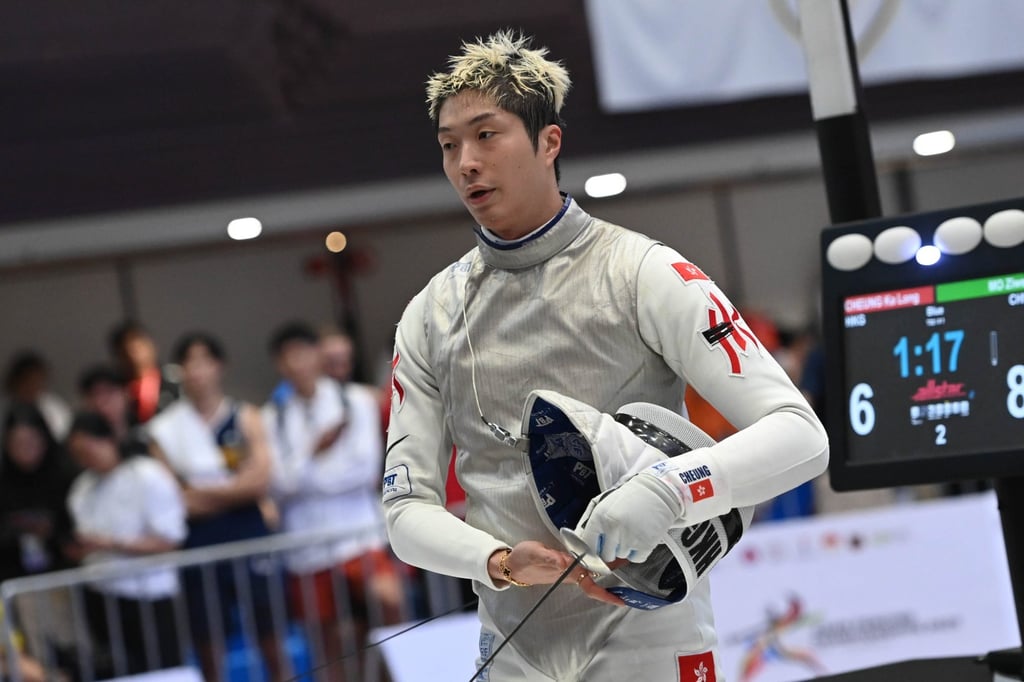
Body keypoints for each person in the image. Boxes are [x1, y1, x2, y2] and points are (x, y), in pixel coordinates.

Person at [381, 31, 829, 681]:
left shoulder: (645, 273)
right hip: (513, 650)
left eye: (486, 135)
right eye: (449, 146)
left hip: (650, 640)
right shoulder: (430, 313)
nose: (466, 163)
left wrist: (672, 491)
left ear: (548, 142)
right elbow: (405, 512)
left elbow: (801, 436)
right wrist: (499, 561)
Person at [263, 322, 401, 682]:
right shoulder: (272, 417)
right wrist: (315, 452)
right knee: (326, 644)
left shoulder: (355, 400)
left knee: (388, 606)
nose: (298, 363)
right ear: (280, 364)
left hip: (358, 537)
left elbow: (363, 470)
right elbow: (276, 484)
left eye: (303, 353)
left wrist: (302, 476)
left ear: (317, 355)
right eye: (288, 357)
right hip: (306, 547)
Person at [147, 333, 284, 682]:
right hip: (200, 543)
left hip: (247, 534)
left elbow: (259, 482)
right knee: (209, 641)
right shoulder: (164, 430)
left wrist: (200, 491)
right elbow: (174, 500)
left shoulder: (245, 415)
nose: (197, 371)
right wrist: (234, 489)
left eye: (204, 360)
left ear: (219, 366)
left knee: (270, 635)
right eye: (189, 363)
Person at [64, 411, 186, 678]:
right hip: (101, 594)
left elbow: (170, 540)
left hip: (148, 594)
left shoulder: (147, 475)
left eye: (88, 448)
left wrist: (111, 543)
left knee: (161, 671)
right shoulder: (82, 487)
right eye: (77, 452)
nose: (84, 457)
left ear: (107, 440)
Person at [0, 404, 76, 583]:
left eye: (31, 441)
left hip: (62, 573)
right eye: (17, 443)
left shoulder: (66, 475)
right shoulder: (4, 481)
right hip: (14, 575)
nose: (25, 450)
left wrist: (54, 532)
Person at [108, 321, 179, 425]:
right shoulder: (116, 391)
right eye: (126, 350)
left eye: (139, 346)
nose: (133, 355)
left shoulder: (175, 378)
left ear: (152, 346)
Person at [3, 351, 72, 441]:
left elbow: (63, 435)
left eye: (37, 381)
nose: (32, 386)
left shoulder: (54, 407)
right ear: (16, 381)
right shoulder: (5, 407)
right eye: (28, 381)